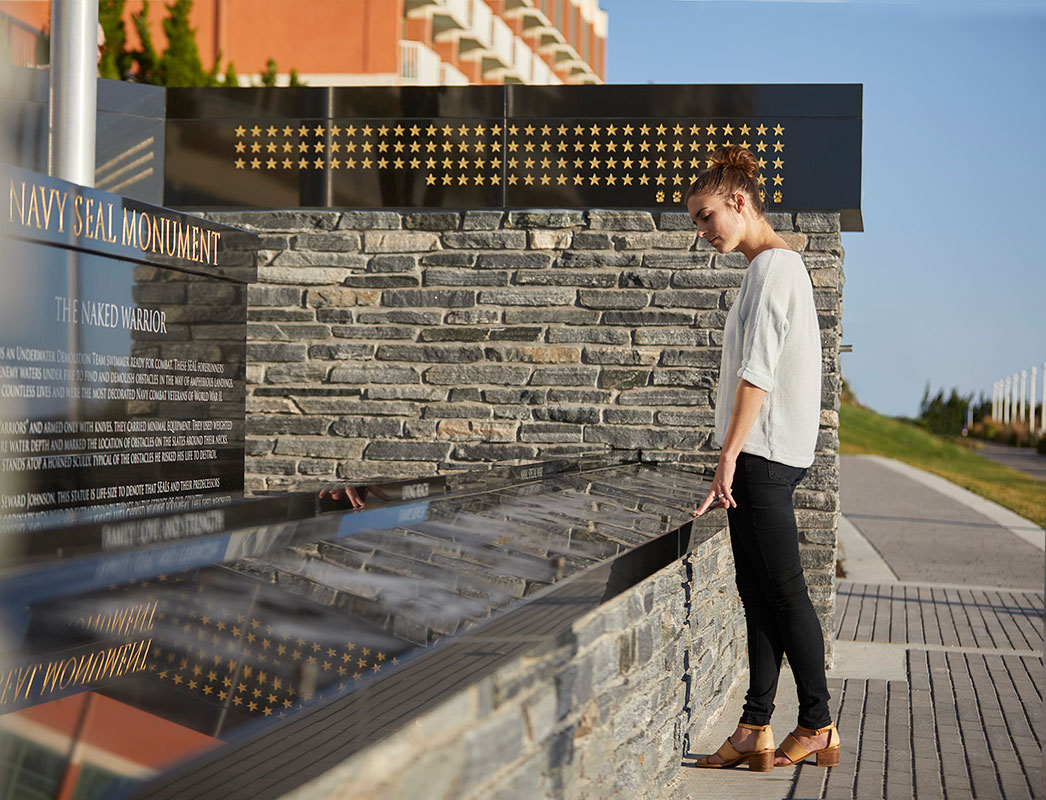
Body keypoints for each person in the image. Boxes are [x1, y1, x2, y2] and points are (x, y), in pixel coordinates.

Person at [687, 146, 840, 771]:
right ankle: (755, 724)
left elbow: (757, 375)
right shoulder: (767, 270)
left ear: (738, 202)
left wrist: (728, 457)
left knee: (784, 591)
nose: (701, 233)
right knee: (759, 593)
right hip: (763, 458)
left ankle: (819, 723)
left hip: (765, 458)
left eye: (704, 217)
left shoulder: (776, 268)